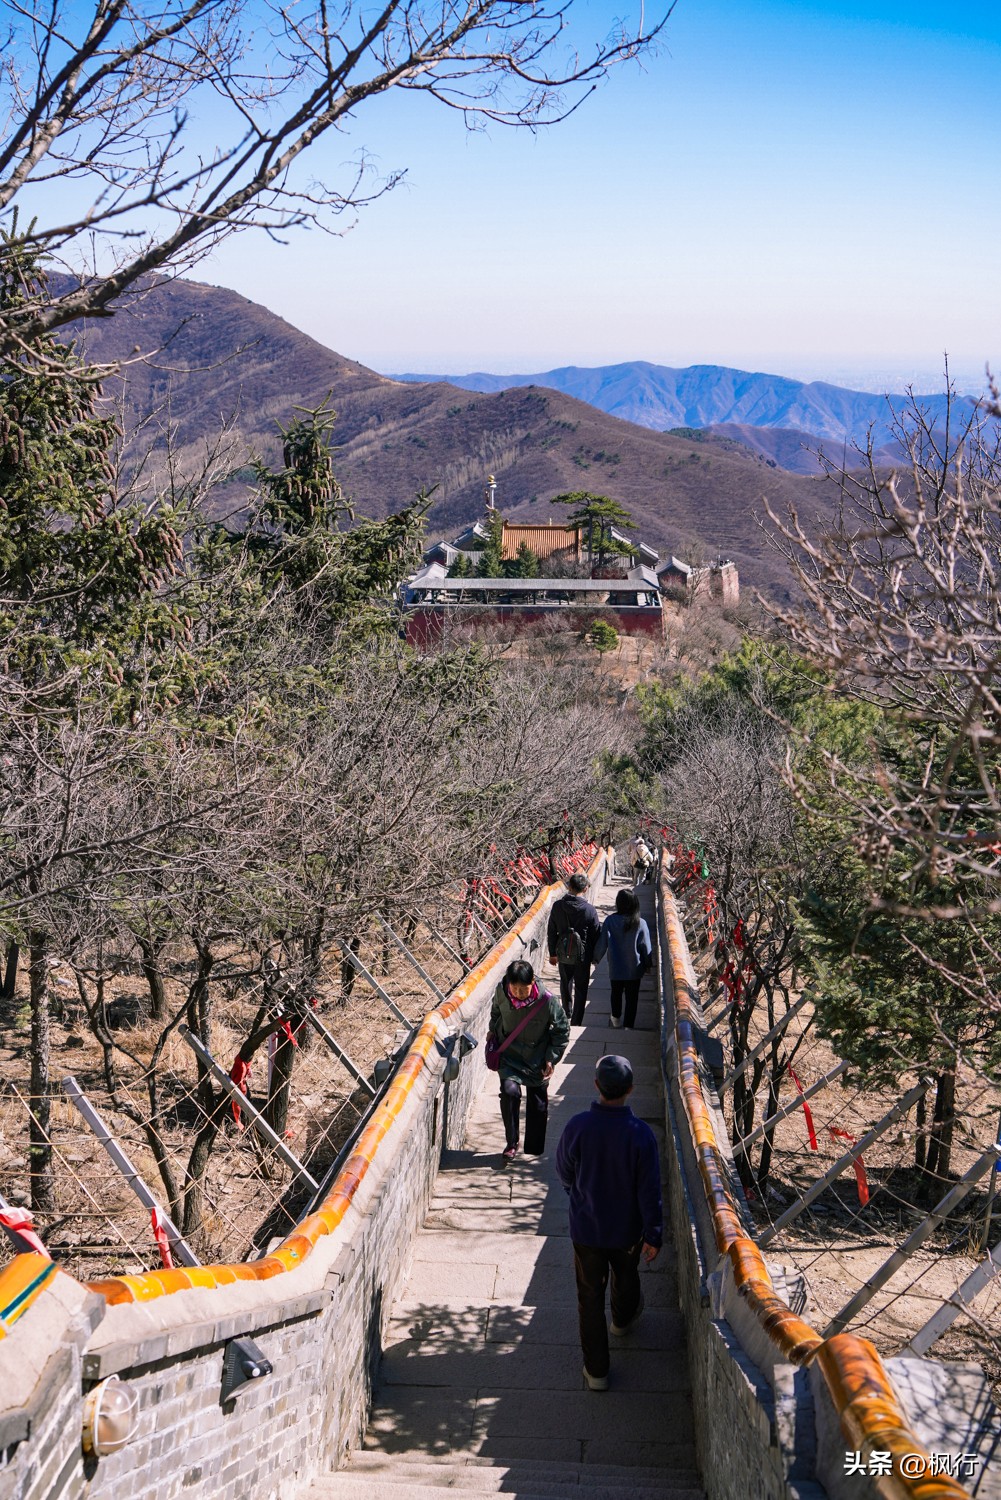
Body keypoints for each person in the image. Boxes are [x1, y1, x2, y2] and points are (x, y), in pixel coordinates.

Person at [556, 1054, 662, 1391]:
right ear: (631, 1088)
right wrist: (654, 1233)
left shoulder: (578, 1127)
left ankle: (597, 1371)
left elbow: (564, 1169)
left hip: (586, 1228)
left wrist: (575, 1190)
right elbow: (650, 1190)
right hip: (627, 1230)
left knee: (589, 1297)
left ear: (596, 1085)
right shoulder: (641, 1135)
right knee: (627, 1273)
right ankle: (621, 1319)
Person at [489, 959, 570, 1161]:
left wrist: (551, 1059)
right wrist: (492, 1031)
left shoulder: (547, 1000)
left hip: (538, 1058)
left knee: (538, 1104)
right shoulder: (502, 992)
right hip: (510, 1056)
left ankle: (533, 1148)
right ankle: (511, 1143)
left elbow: (562, 1031)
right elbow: (495, 1012)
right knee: (509, 1092)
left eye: (522, 989)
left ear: (532, 981)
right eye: (514, 988)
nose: (518, 993)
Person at [547, 871, 602, 1025]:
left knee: (565, 983)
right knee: (581, 987)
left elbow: (551, 930)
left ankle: (567, 1011)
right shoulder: (589, 910)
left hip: (563, 952)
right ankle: (577, 1020)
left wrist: (552, 953)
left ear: (569, 886)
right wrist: (594, 956)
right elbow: (596, 934)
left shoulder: (558, 906)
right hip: (583, 955)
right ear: (585, 889)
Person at [592, 889, 652, 1029]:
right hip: (634, 967)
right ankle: (629, 1025)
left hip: (616, 965)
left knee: (616, 993)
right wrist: (648, 964)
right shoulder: (640, 923)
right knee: (632, 997)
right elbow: (646, 947)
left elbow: (603, 942)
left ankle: (616, 1018)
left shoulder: (610, 921)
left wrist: (596, 958)